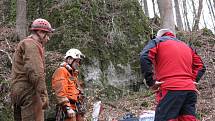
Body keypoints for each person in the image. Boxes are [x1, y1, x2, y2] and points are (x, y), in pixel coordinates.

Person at [140, 29, 206, 121]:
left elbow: (144, 56)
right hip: (190, 91)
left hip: (171, 89)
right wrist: (192, 81)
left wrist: (151, 82)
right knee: (188, 118)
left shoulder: (157, 42)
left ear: (159, 36)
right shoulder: (186, 46)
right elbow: (201, 66)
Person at [10, 18, 54, 121]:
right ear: (40, 32)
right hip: (29, 92)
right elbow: (36, 72)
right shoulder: (31, 44)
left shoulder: (24, 43)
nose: (48, 38)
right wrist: (43, 94)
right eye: (47, 35)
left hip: (17, 92)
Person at [52, 48, 86, 121]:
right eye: (76, 61)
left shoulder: (73, 74)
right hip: (67, 108)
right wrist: (67, 107)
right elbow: (60, 92)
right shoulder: (61, 71)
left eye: (79, 62)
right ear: (69, 59)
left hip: (76, 106)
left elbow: (76, 90)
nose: (78, 64)